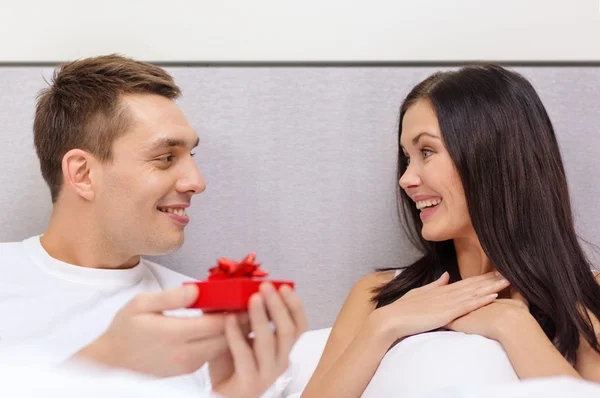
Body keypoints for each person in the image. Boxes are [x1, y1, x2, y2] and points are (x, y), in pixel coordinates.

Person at [0, 54, 307, 397]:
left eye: (191, 156)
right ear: (83, 174)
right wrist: (104, 363)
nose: (196, 181)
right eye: (165, 158)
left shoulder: (209, 323)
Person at [301, 64, 600, 397]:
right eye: (407, 157)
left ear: (491, 156)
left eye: (426, 152)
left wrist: (511, 325)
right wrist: (384, 325)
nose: (405, 179)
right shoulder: (378, 296)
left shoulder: (585, 294)